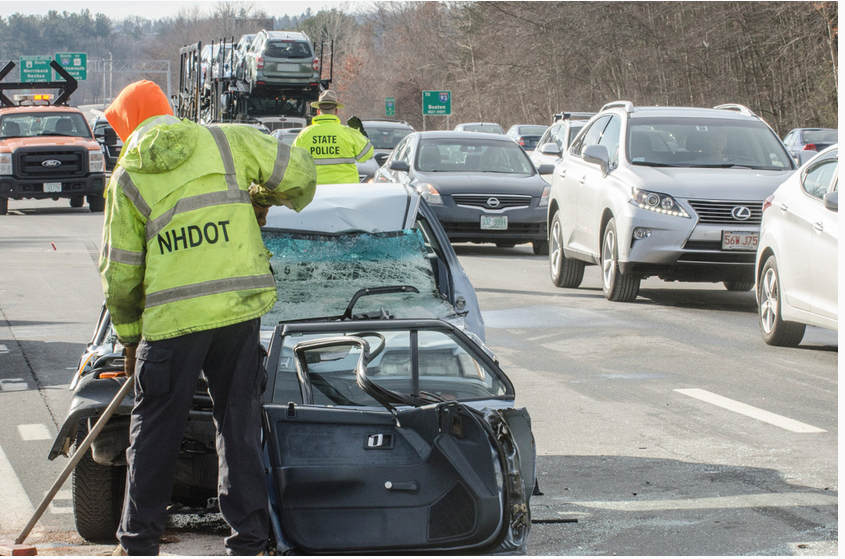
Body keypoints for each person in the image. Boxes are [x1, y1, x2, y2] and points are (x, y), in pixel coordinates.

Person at [99, 80, 317, 556]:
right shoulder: (225, 140)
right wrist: (260, 197)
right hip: (237, 312)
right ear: (168, 111)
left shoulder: (128, 177)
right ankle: (249, 541)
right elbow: (300, 171)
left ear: (127, 127)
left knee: (154, 430)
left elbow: (120, 274)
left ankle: (138, 544)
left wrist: (131, 339)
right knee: (238, 423)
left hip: (172, 324)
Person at [292, 90, 373, 184]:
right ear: (336, 111)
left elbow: (294, 162)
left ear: (318, 112)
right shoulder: (348, 133)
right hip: (346, 191)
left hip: (315, 191)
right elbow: (367, 155)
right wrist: (361, 133)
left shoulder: (304, 135)